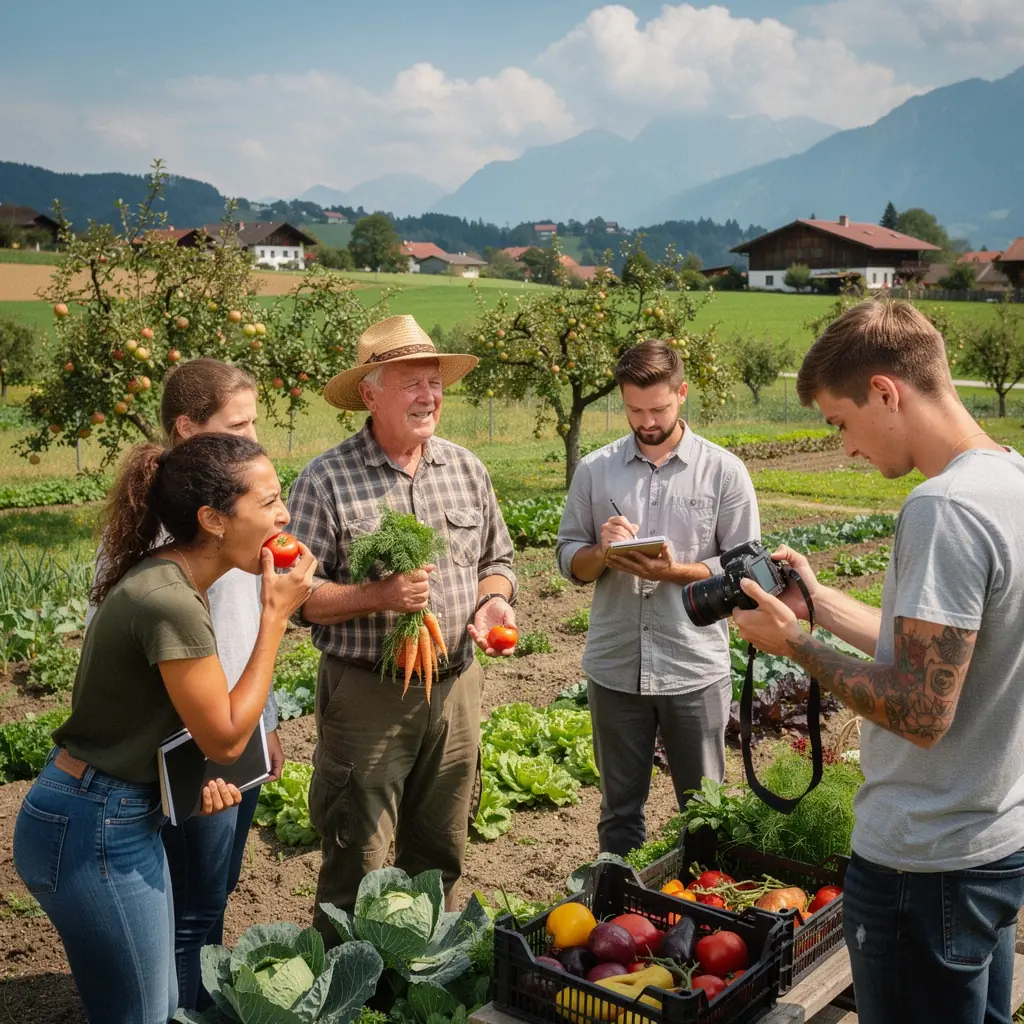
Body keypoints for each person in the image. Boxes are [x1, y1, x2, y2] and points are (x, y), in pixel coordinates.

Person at [730, 300, 1024, 1024]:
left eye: (841, 422)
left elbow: (922, 710)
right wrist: (820, 604)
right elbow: (943, 654)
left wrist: (793, 645)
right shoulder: (1009, 480)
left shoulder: (943, 509)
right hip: (991, 843)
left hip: (922, 865)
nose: (846, 448)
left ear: (887, 392)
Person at [13, 434, 315, 1024]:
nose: (285, 515)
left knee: (140, 1010)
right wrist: (274, 616)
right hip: (94, 827)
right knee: (143, 1015)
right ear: (213, 520)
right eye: (270, 500)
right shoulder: (169, 600)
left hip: (106, 812)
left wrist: (194, 781)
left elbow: (158, 721)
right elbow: (227, 738)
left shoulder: (173, 581)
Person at [286, 314, 517, 936]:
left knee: (441, 849)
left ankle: (424, 969)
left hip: (456, 686)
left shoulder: (467, 468)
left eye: (435, 382)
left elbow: (498, 560)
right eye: (412, 383)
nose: (429, 396)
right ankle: (345, 980)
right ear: (370, 393)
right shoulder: (324, 480)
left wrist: (495, 602)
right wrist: (376, 594)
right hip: (368, 693)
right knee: (356, 853)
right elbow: (297, 598)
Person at [82, 358, 286, 1013]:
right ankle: (184, 1006)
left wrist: (270, 722)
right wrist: (197, 761)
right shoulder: (161, 540)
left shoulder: (244, 518)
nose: (252, 437)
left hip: (238, 729)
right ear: (186, 427)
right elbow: (135, 670)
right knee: (191, 904)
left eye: (254, 422)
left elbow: (250, 624)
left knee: (216, 887)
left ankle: (193, 998)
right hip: (192, 745)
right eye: (237, 423)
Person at [555, 339, 759, 856]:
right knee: (619, 815)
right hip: (615, 664)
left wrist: (673, 571)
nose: (646, 421)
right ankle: (620, 915)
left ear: (682, 393)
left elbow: (745, 571)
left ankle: (707, 914)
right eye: (634, 409)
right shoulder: (595, 470)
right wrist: (602, 552)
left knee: (705, 813)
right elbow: (568, 558)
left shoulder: (723, 471)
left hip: (693, 666)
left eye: (658, 409)